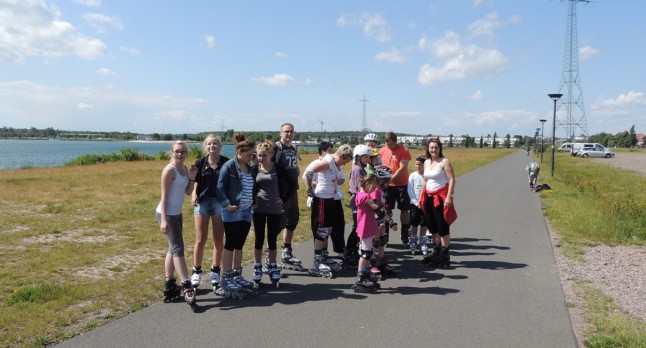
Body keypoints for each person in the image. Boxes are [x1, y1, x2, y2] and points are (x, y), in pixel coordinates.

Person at [156, 141, 198, 308]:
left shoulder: (184, 169)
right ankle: (187, 285)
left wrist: (193, 178)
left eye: (183, 152)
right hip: (166, 213)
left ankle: (169, 283)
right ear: (171, 152)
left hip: (177, 213)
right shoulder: (169, 170)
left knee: (172, 249)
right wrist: (164, 220)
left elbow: (188, 192)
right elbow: (164, 197)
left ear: (186, 153)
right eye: (177, 151)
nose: (180, 154)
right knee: (178, 249)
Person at [215, 132, 256, 299]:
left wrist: (254, 201)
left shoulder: (250, 167)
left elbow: (251, 186)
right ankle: (226, 277)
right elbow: (219, 188)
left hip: (247, 211)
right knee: (230, 244)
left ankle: (237, 275)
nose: (251, 157)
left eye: (252, 154)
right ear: (239, 153)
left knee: (239, 244)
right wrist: (226, 205)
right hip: (233, 210)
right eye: (248, 154)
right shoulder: (229, 166)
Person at [303, 144, 353, 277]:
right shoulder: (328, 161)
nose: (345, 164)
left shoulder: (335, 162)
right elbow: (309, 172)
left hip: (331, 199)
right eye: (345, 161)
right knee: (321, 230)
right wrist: (309, 188)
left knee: (327, 228)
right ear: (341, 156)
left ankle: (324, 256)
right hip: (322, 199)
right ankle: (317, 262)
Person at [250, 140, 295, 288]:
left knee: (272, 240)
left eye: (264, 155)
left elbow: (292, 183)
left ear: (271, 154)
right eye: (259, 155)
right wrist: (252, 199)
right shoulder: (255, 168)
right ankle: (257, 266)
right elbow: (249, 186)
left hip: (275, 209)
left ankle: (272, 266)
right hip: (259, 209)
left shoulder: (278, 168)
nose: (261, 158)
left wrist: (283, 198)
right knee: (259, 239)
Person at [190, 135, 229, 292]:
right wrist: (194, 193)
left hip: (220, 203)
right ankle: (196, 271)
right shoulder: (200, 162)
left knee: (218, 239)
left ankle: (215, 270)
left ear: (220, 146)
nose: (212, 146)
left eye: (215, 143)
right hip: (203, 202)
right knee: (200, 239)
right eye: (209, 144)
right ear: (205, 147)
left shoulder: (226, 162)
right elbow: (196, 180)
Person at [420, 138, 456, 267]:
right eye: (431, 147)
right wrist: (421, 197)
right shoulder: (426, 162)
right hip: (428, 197)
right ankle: (436, 250)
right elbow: (425, 180)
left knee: (442, 226)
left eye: (436, 147)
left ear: (440, 148)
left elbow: (451, 179)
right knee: (432, 226)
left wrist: (448, 196)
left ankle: (445, 254)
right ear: (428, 149)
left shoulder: (444, 162)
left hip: (440, 198)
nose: (433, 149)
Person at [272, 123, 302, 270]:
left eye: (291, 131)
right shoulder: (275, 148)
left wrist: (296, 170)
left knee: (293, 220)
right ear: (280, 133)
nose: (289, 134)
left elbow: (293, 165)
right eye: (286, 131)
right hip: (280, 192)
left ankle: (286, 251)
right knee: (278, 224)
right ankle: (269, 256)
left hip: (292, 190)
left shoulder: (293, 148)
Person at [378, 131, 412, 246]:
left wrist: (390, 179)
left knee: (404, 209)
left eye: (392, 144)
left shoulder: (404, 150)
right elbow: (378, 166)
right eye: (388, 144)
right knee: (386, 209)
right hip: (387, 186)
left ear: (396, 141)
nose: (390, 147)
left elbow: (402, 168)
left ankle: (405, 231)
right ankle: (385, 232)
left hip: (402, 184)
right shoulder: (382, 150)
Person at [351, 173, 382, 293]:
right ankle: (360, 277)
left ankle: (365, 273)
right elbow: (375, 207)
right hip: (365, 227)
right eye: (373, 188)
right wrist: (382, 211)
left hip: (369, 226)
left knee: (368, 251)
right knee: (365, 253)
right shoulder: (364, 196)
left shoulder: (363, 194)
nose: (374, 190)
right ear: (368, 184)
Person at [343, 144, 372, 267]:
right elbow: (360, 187)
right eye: (365, 157)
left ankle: (353, 248)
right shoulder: (357, 169)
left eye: (368, 157)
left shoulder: (363, 168)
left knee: (359, 227)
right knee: (357, 227)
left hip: (361, 199)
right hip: (358, 200)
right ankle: (348, 251)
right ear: (358, 157)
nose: (367, 159)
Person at [407, 155, 428, 256]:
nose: (417, 166)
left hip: (425, 204)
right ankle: (413, 241)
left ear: (424, 165)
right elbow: (410, 190)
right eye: (416, 164)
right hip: (415, 205)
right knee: (414, 224)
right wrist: (416, 202)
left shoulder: (427, 176)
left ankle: (423, 242)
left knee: (424, 224)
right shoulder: (412, 175)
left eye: (420, 165)